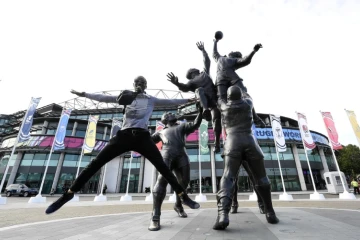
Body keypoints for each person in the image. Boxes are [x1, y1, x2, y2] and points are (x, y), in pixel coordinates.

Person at [45, 76, 200, 214]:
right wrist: (85, 94)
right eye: (137, 82)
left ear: (146, 86)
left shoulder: (151, 99)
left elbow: (171, 101)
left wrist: (190, 100)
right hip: (124, 135)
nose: (140, 84)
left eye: (143, 82)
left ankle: (183, 196)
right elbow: (104, 98)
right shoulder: (125, 97)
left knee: (163, 168)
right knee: (95, 163)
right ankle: (69, 194)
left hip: (142, 136)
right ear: (134, 84)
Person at [213, 86, 278, 230]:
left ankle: (223, 214)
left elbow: (218, 95)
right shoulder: (248, 103)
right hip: (250, 141)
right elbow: (247, 94)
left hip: (232, 141)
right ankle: (270, 212)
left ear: (229, 97)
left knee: (228, 176)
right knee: (261, 177)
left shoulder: (223, 105)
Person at [148, 104, 202, 231]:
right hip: (167, 155)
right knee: (162, 181)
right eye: (168, 114)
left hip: (181, 155)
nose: (171, 114)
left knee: (184, 181)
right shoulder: (160, 132)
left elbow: (195, 124)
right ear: (165, 119)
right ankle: (155, 215)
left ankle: (178, 205)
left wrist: (200, 111)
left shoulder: (182, 126)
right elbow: (149, 142)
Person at [167, 42, 222, 153]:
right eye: (194, 69)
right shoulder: (191, 82)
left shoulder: (205, 73)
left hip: (216, 99)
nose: (197, 69)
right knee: (199, 90)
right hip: (207, 103)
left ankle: (217, 143)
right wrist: (176, 83)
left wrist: (203, 50)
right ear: (192, 72)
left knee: (217, 120)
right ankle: (205, 110)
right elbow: (184, 88)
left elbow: (207, 61)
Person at [212, 38, 265, 127]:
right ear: (236, 56)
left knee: (222, 100)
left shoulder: (220, 58)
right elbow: (246, 60)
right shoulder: (233, 60)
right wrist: (253, 51)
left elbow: (214, 52)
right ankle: (255, 118)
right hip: (232, 79)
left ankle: (227, 118)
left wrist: (215, 42)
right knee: (244, 95)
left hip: (221, 81)